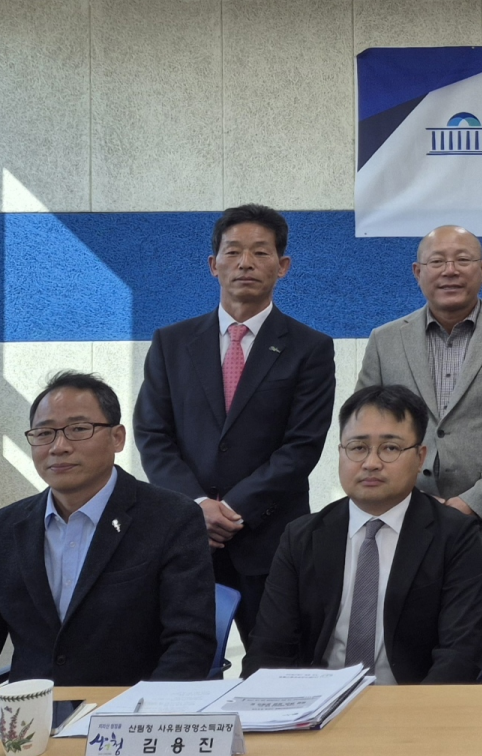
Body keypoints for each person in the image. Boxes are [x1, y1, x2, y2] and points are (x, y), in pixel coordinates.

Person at [135, 204, 336, 646]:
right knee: (182, 660)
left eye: (261, 252)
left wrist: (231, 510)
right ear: (214, 264)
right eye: (233, 252)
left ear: (282, 266)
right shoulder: (171, 342)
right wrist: (196, 506)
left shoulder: (311, 348)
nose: (245, 263)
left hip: (270, 539)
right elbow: (152, 434)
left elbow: (302, 445)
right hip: (185, 536)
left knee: (276, 661)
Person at [0, 372, 215, 685]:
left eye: (78, 429)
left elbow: (189, 643)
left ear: (117, 438)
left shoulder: (172, 518)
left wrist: (143, 710)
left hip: (128, 704)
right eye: (44, 433)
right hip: (33, 709)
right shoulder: (0, 530)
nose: (59, 447)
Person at [357, 225, 482, 620]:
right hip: (401, 526)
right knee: (404, 644)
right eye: (437, 261)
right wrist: (414, 500)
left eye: (462, 260)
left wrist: (471, 504)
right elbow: (363, 430)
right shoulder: (384, 341)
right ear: (417, 272)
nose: (450, 270)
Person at [244, 385, 482, 684]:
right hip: (319, 701)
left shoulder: (455, 536)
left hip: (412, 702)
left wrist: (418, 711)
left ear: (420, 457)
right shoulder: (301, 536)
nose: (371, 463)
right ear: (340, 453)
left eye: (390, 448)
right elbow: (269, 649)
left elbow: (460, 654)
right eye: (358, 447)